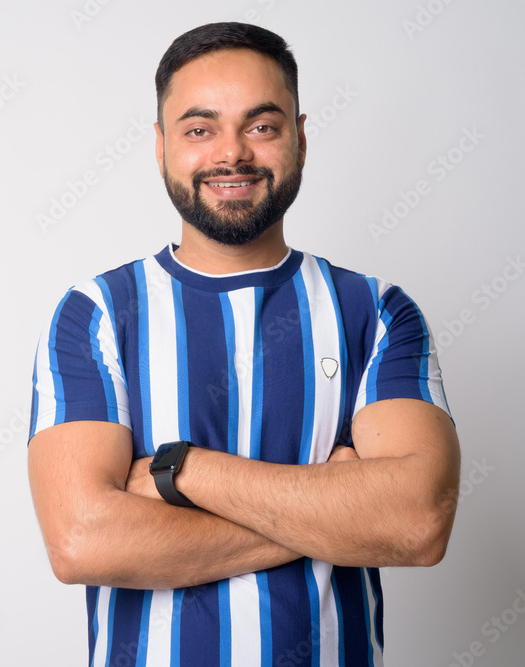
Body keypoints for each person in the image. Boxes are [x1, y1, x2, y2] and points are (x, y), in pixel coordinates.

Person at [26, 22, 460, 666]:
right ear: (161, 145)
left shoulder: (377, 311)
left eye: (261, 126)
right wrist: (331, 509)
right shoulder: (94, 315)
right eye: (199, 129)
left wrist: (182, 472)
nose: (233, 154)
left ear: (301, 138)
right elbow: (83, 543)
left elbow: (417, 523)